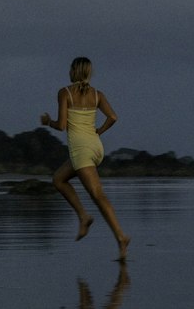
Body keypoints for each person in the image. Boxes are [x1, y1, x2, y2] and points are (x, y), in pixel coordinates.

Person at [40, 56, 130, 259]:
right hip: (95, 147)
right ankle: (83, 216)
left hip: (81, 149)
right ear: (89, 73)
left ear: (73, 71)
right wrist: (99, 131)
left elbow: (62, 125)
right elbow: (113, 117)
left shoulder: (65, 93)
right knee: (58, 179)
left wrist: (48, 122)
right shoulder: (97, 94)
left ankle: (121, 237)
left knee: (98, 195)